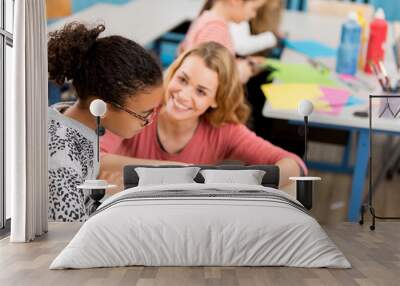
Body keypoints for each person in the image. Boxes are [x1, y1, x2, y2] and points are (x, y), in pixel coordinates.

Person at [100, 42, 306, 188]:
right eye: (182, 79)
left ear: (216, 99)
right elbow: (93, 159)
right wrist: (174, 170)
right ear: (173, 73)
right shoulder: (139, 108)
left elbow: (294, 164)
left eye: (201, 91)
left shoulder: (224, 131)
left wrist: (248, 184)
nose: (184, 95)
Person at [47, 23, 164, 222]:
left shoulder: (66, 117)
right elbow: (69, 235)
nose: (149, 122)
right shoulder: (61, 161)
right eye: (143, 115)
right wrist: (111, 197)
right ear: (101, 107)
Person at [180, 0, 267, 83]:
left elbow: (219, 62)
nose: (254, 15)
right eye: (254, 9)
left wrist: (247, 63)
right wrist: (243, 70)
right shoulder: (216, 30)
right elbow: (211, 78)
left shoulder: (209, 20)